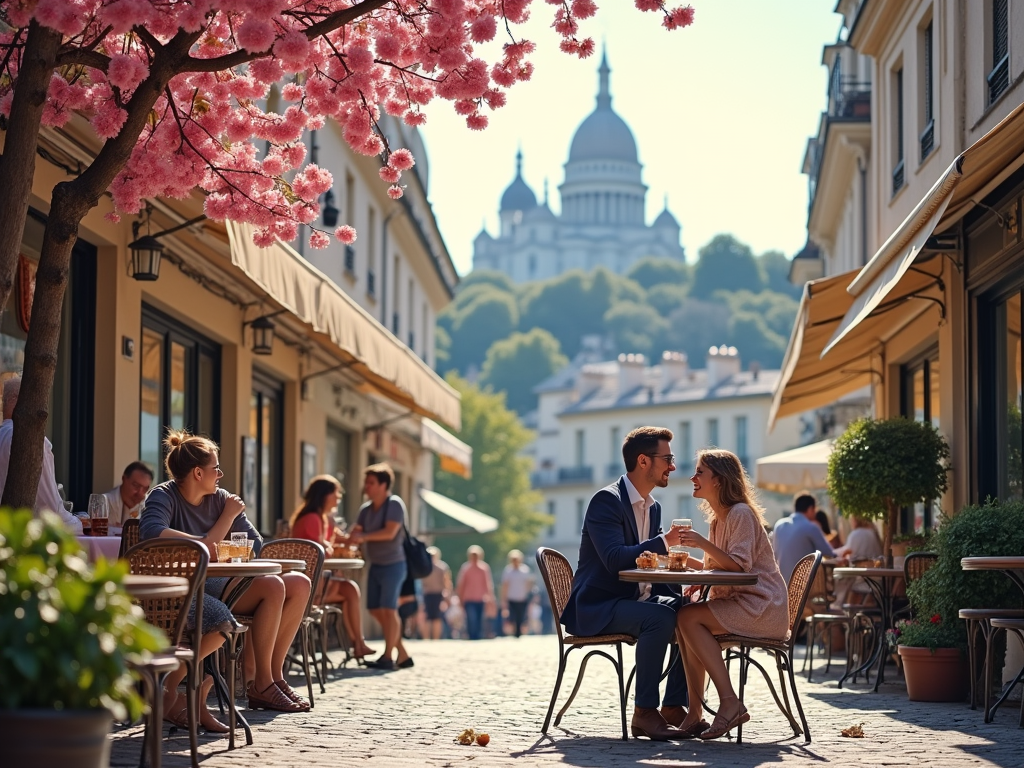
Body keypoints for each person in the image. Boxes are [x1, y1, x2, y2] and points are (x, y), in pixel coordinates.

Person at [141, 430, 312, 713]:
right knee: (273, 586)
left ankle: (274, 677)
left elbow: (255, 544)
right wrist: (220, 528)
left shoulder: (221, 498)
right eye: (215, 468)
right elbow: (152, 532)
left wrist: (214, 542)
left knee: (299, 584)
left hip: (217, 579)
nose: (220, 474)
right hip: (185, 585)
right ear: (198, 473)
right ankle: (261, 684)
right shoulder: (164, 495)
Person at [560, 426, 689, 742]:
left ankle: (673, 706)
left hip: (633, 599)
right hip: (597, 606)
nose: (673, 466)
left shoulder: (653, 506)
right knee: (658, 618)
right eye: (667, 459)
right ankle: (645, 712)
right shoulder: (606, 501)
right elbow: (616, 559)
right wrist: (665, 542)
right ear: (644, 461)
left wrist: (683, 587)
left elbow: (648, 565)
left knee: (689, 611)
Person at [673, 449, 790, 741]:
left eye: (700, 472)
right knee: (683, 620)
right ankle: (695, 713)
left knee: (688, 617)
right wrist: (689, 563)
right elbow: (721, 567)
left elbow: (740, 566)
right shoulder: (719, 519)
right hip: (744, 602)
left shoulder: (740, 513)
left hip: (763, 606)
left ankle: (729, 702)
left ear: (720, 480)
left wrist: (700, 544)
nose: (693, 477)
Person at [289, 475, 375, 660]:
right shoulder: (312, 518)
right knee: (350, 589)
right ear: (324, 495)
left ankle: (357, 644)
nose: (339, 497)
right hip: (309, 586)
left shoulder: (321, 518)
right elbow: (318, 553)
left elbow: (335, 542)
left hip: (313, 581)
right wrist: (331, 546)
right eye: (336, 493)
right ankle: (357, 644)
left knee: (349, 590)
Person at [348, 462, 413, 670]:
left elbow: (390, 532)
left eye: (371, 483)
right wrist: (348, 537)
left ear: (384, 485)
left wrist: (363, 537)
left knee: (388, 608)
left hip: (394, 565)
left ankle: (388, 657)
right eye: (366, 483)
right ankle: (402, 653)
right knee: (375, 609)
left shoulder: (394, 504)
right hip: (375, 565)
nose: (366, 486)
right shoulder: (365, 509)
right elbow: (355, 532)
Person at [0, 376, 81, 533]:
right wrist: (78, 523)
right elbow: (52, 509)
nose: (43, 410)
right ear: (19, 399)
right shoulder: (32, 441)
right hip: (27, 541)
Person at [771, 492, 835, 583]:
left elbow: (775, 553)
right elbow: (829, 553)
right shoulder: (811, 527)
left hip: (780, 584)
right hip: (803, 587)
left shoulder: (779, 525)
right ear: (810, 509)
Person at [830, 516, 884, 610]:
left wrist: (831, 553)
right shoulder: (873, 533)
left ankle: (838, 612)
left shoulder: (856, 534)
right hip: (876, 578)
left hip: (861, 578)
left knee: (840, 581)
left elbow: (848, 552)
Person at [455, 545, 495, 641]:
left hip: (480, 598)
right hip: (468, 598)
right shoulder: (466, 568)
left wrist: (490, 597)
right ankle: (471, 635)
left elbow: (488, 584)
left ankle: (477, 635)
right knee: (471, 618)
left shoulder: (484, 568)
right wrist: (459, 598)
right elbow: (461, 584)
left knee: (479, 618)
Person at [102, 461, 154, 527]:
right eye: (136, 485)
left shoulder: (148, 506)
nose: (140, 493)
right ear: (124, 479)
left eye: (145, 489)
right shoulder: (105, 503)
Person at [500, 549, 534, 638]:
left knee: (521, 616)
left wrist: (529, 593)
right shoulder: (508, 571)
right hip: (511, 597)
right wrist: (503, 598)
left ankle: (518, 632)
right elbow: (505, 585)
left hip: (522, 597)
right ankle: (515, 631)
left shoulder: (525, 570)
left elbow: (529, 583)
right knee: (512, 616)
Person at [421, 546, 452, 640]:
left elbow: (446, 582)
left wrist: (447, 595)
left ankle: (435, 638)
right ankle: (426, 638)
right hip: (427, 594)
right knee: (426, 617)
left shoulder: (442, 567)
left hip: (438, 594)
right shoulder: (424, 568)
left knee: (437, 618)